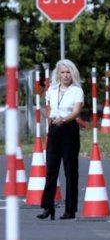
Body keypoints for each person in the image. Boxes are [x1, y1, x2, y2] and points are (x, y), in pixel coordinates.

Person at [37, 59, 83, 220]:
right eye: (62, 72)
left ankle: (70, 209)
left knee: (70, 170)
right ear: (58, 74)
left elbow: (76, 111)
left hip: (69, 128)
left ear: (73, 73)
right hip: (54, 129)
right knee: (51, 169)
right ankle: (48, 206)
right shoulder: (52, 90)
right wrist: (50, 124)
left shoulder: (77, 91)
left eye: (68, 72)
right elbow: (49, 108)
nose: (65, 75)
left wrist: (64, 119)